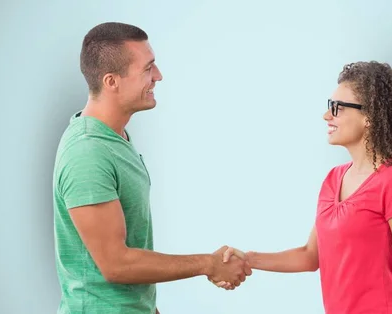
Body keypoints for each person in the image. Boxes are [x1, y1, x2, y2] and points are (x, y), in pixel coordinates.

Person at [52, 22, 251, 314]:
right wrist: (209, 264)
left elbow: (129, 249)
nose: (158, 76)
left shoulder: (115, 139)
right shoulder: (87, 152)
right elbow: (116, 265)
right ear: (111, 81)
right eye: (148, 68)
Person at [212, 61, 392, 314]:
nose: (327, 116)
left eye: (337, 108)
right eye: (329, 107)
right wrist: (247, 259)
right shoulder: (333, 179)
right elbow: (310, 256)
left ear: (368, 116)